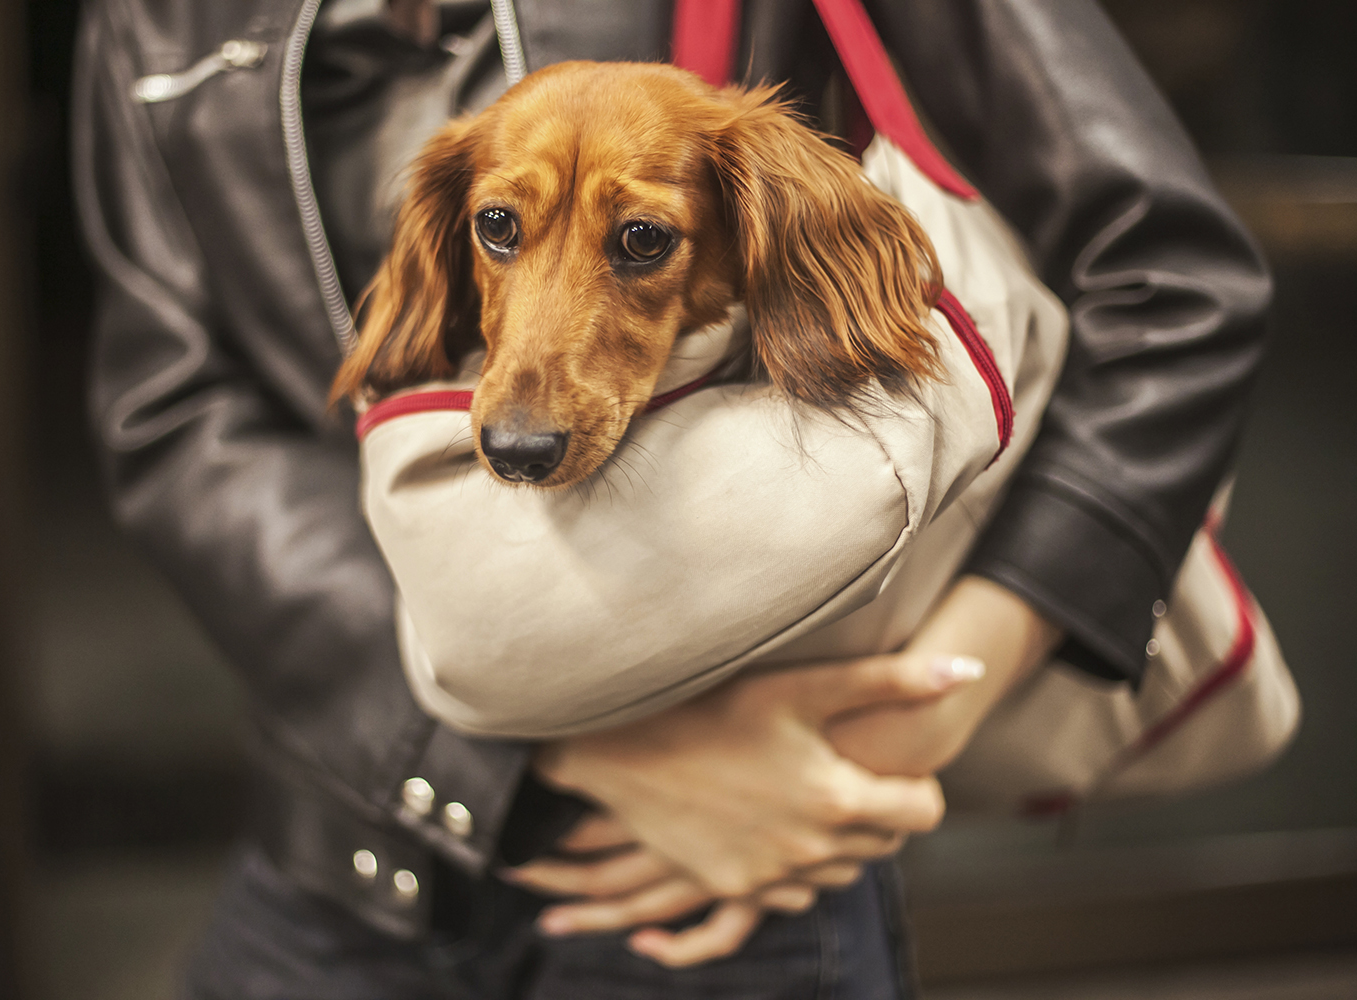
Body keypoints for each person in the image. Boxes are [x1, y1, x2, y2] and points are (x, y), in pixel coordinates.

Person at [73, 0, 1270, 996]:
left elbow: (1178, 286)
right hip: (345, 828)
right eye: (502, 228)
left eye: (640, 243)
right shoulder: (152, 16)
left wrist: (930, 705)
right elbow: (179, 415)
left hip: (733, 875)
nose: (530, 391)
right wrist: (542, 757)